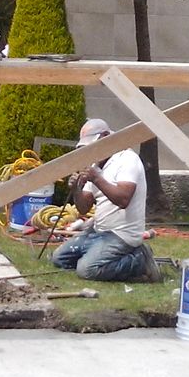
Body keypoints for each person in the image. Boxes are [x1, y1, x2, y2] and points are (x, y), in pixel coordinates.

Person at [51, 118, 155, 281]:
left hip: (121, 234)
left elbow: (123, 200)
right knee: (59, 258)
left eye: (93, 145)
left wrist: (97, 178)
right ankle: (99, 255)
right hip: (99, 231)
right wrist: (76, 189)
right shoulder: (96, 165)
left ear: (106, 136)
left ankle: (140, 259)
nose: (91, 151)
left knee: (86, 271)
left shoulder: (127, 159)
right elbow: (84, 208)